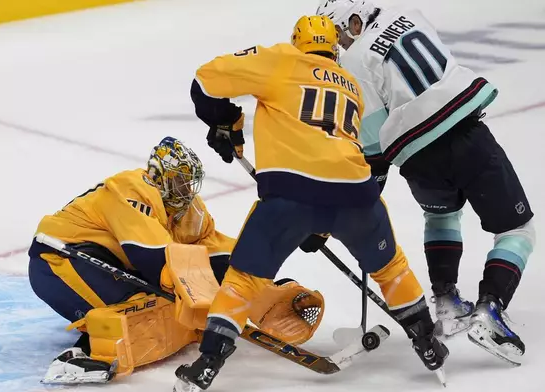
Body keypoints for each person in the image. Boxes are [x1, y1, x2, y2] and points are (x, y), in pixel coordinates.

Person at [174, 15, 448, 392]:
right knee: (391, 268)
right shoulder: (351, 84)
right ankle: (427, 340)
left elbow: (205, 79)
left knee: (243, 281)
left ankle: (209, 361)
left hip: (290, 196)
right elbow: (331, 153)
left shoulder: (282, 59)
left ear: (297, 40)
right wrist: (321, 223)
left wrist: (225, 121)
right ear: (333, 48)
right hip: (357, 195)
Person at [316, 0, 534, 363]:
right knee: (518, 229)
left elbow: (372, 145)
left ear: (354, 22)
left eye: (340, 34)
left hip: (418, 157)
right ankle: (489, 308)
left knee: (441, 217)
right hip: (467, 136)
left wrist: (364, 193)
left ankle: (446, 302)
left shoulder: (354, 64)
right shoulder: (409, 15)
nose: (340, 45)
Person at [28, 136, 324, 384]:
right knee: (153, 309)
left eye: (189, 183)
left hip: (111, 261)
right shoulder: (131, 189)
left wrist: (255, 281)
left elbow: (212, 249)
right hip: (59, 260)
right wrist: (211, 303)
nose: (186, 190)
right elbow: (157, 262)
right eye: (179, 181)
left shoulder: (188, 208)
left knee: (172, 306)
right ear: (158, 175)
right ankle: (86, 354)